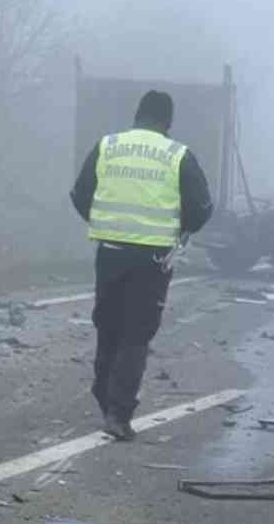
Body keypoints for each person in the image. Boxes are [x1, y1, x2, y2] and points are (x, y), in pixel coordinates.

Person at [70, 90, 213, 440]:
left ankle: (103, 395)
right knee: (136, 333)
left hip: (111, 251)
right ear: (168, 121)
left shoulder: (107, 145)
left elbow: (80, 193)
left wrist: (104, 221)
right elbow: (201, 207)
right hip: (152, 259)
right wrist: (183, 229)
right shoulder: (177, 155)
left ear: (137, 115)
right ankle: (118, 413)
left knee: (109, 324)